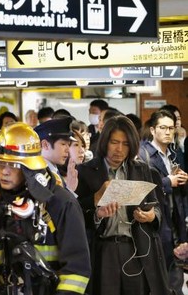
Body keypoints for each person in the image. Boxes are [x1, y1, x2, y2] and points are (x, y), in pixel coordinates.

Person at [0, 122, 91, 295]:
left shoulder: (60, 203)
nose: (4, 172)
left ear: (30, 167)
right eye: (0, 163)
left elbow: (77, 271)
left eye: (13, 165)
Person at [76, 115, 172, 295]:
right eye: (114, 142)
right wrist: (97, 210)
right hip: (103, 248)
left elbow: (157, 207)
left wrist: (151, 216)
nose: (119, 150)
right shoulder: (86, 171)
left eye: (126, 144)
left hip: (136, 248)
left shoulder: (141, 169)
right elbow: (77, 213)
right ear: (105, 142)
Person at [138, 109, 188, 295]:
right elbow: (143, 188)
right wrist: (168, 181)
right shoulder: (143, 155)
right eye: (162, 128)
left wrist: (182, 179)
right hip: (156, 223)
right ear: (152, 130)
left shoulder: (173, 154)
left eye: (171, 128)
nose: (168, 132)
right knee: (158, 281)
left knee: (175, 278)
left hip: (175, 220)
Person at [34, 117, 77, 193]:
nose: (67, 149)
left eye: (69, 144)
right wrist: (70, 190)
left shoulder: (53, 170)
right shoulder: (39, 175)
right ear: (45, 145)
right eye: (63, 144)